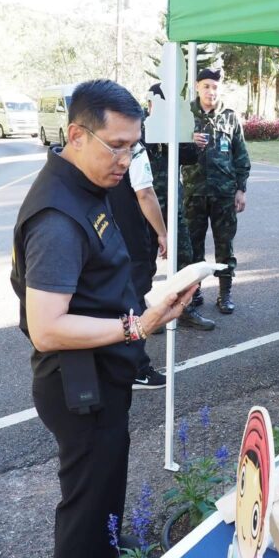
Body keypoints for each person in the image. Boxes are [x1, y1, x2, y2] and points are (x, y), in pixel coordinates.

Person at [9, 79, 198, 558]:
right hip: (77, 384)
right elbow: (47, 327)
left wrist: (149, 306)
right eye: (116, 146)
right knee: (86, 503)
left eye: (133, 147)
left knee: (105, 485)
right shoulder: (57, 217)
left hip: (101, 372)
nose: (125, 160)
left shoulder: (87, 184)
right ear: (76, 135)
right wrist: (137, 325)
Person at [144, 85, 215, 331]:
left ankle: (185, 310)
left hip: (173, 207)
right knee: (143, 265)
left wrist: (188, 140)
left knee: (185, 258)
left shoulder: (175, 128)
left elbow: (190, 157)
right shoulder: (141, 128)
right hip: (145, 210)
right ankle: (146, 316)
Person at [183, 68, 251, 315]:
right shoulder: (185, 114)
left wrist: (241, 189)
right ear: (197, 87)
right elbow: (171, 150)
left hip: (224, 194)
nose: (211, 91)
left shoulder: (230, 117)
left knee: (224, 245)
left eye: (214, 87)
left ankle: (225, 293)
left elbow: (241, 156)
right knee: (193, 246)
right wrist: (188, 139)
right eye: (206, 86)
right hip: (193, 193)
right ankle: (194, 292)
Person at [106, 137, 170, 389]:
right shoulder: (134, 148)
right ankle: (137, 369)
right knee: (133, 302)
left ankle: (115, 363)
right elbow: (144, 193)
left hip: (103, 233)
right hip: (130, 236)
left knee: (113, 299)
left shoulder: (98, 143)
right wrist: (162, 232)